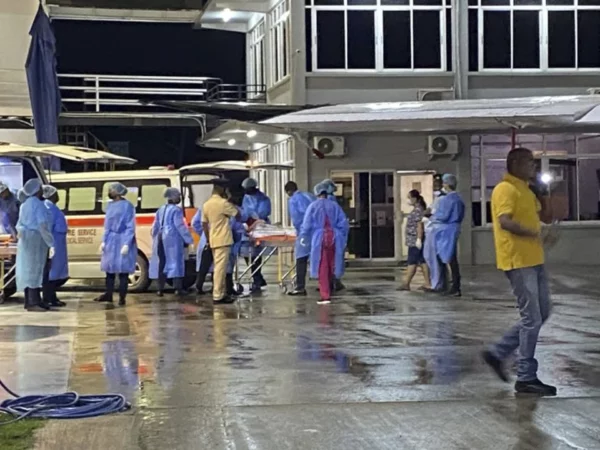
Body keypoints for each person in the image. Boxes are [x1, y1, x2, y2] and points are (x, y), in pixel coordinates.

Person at [483, 147, 556, 396]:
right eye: (529, 162)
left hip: (534, 258)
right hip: (518, 260)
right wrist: (534, 233)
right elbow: (505, 221)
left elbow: (545, 217)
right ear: (514, 164)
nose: (534, 166)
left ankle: (498, 353)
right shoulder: (505, 189)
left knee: (542, 312)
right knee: (532, 318)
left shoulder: (526, 189)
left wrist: (544, 194)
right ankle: (526, 376)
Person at [299, 182, 349, 305]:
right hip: (335, 237)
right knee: (332, 264)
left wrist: (303, 236)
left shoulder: (313, 206)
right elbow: (343, 223)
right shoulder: (335, 206)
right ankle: (331, 287)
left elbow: (306, 225)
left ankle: (325, 295)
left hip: (319, 238)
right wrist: (342, 238)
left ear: (316, 194)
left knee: (322, 266)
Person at [193, 190, 244, 297]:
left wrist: (205, 235)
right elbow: (238, 222)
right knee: (221, 267)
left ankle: (204, 288)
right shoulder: (227, 206)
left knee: (208, 265)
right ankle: (221, 292)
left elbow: (197, 223)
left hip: (208, 239)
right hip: (222, 239)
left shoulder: (206, 205)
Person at [95, 183, 137, 306]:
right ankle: (108, 294)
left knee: (123, 271)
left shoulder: (127, 206)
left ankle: (122, 298)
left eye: (111, 190)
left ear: (118, 192)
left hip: (123, 238)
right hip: (111, 240)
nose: (109, 192)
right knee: (109, 270)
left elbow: (130, 226)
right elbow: (107, 226)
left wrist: (126, 243)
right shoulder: (110, 205)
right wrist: (104, 240)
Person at [16, 179, 54, 312]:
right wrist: (50, 242)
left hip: (26, 240)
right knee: (35, 270)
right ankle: (33, 302)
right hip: (36, 240)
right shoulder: (38, 204)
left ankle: (31, 300)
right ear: (37, 190)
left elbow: (19, 224)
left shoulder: (24, 204)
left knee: (27, 270)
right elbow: (42, 225)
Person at [149, 187, 194, 297]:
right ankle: (178, 288)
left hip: (160, 237)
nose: (179, 198)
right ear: (173, 197)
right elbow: (180, 226)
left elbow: (155, 225)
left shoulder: (161, 209)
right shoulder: (176, 210)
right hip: (172, 238)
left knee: (162, 262)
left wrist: (155, 236)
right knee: (175, 261)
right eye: (178, 196)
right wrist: (189, 239)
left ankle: (160, 289)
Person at [202, 181, 241, 304]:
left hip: (213, 239)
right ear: (221, 190)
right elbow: (238, 214)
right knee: (220, 269)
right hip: (223, 239)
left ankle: (221, 293)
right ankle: (218, 295)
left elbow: (204, 224)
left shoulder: (206, 204)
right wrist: (229, 199)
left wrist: (208, 238)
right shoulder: (223, 203)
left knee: (218, 267)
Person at [432, 174, 465, 297]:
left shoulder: (448, 200)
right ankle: (454, 285)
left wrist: (432, 216)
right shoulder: (459, 199)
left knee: (445, 257)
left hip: (445, 230)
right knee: (451, 256)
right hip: (453, 229)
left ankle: (449, 285)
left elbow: (443, 216)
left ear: (446, 184)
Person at [285, 181, 316, 296]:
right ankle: (331, 283)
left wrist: (300, 231)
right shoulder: (310, 196)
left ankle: (300, 286)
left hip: (305, 232)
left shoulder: (293, 200)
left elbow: (297, 219)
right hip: (317, 231)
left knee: (301, 259)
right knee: (321, 258)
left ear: (289, 192)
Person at [241, 177, 271, 292]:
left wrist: (254, 219)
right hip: (247, 227)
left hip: (259, 227)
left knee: (256, 255)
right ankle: (258, 277)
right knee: (246, 253)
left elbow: (262, 214)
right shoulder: (246, 197)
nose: (246, 191)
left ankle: (257, 278)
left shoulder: (263, 199)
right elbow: (244, 211)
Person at [398, 190, 431, 291]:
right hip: (414, 239)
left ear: (414, 198)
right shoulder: (418, 209)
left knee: (412, 261)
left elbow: (419, 225)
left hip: (414, 239)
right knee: (422, 261)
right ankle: (428, 283)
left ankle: (406, 283)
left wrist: (419, 239)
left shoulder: (417, 211)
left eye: (409, 198)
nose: (408, 200)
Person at [42, 185, 68, 307]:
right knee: (51, 272)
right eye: (56, 193)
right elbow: (47, 228)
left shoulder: (52, 207)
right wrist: (50, 245)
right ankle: (49, 298)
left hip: (58, 243)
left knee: (55, 271)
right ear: (51, 195)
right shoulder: (48, 208)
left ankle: (51, 297)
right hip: (53, 243)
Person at [423, 176, 446, 291]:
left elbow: (436, 213)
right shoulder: (437, 198)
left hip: (437, 230)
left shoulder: (444, 198)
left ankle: (438, 284)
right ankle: (435, 283)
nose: (435, 186)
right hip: (431, 230)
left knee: (435, 258)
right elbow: (429, 210)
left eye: (437, 183)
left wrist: (429, 214)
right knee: (429, 257)